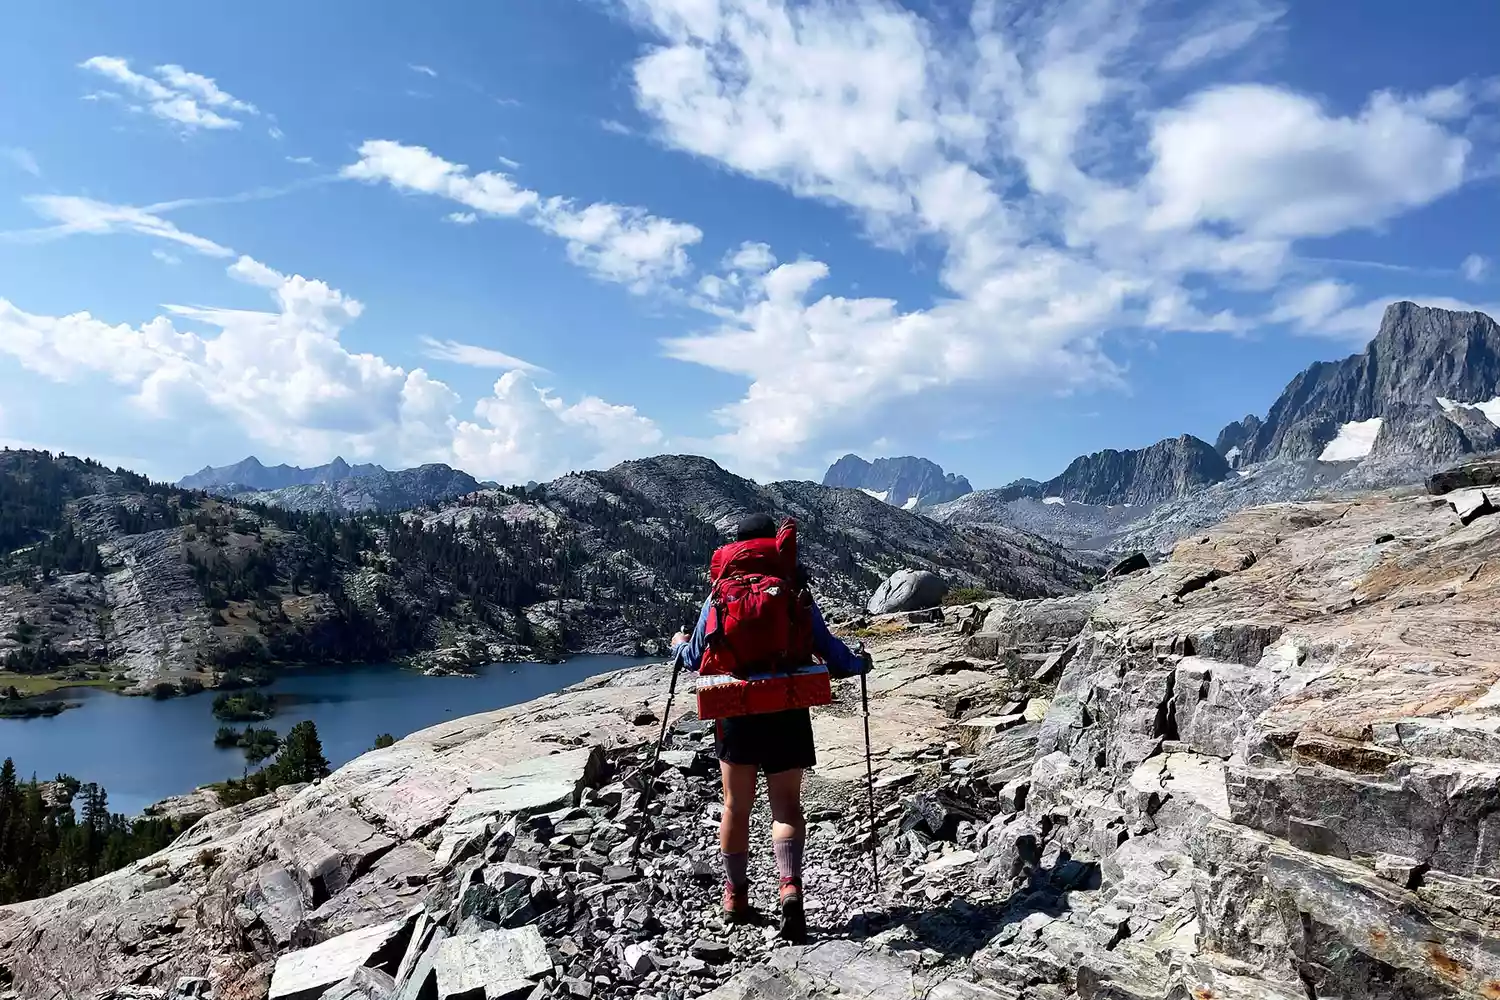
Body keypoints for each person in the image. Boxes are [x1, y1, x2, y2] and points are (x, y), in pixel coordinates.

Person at [671, 513, 871, 943]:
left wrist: (676, 645)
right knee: (786, 805)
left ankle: (736, 897)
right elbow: (829, 650)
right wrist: (858, 663)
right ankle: (790, 888)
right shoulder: (791, 585)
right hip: (786, 702)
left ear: (734, 548)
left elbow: (694, 655)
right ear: (771, 545)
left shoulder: (719, 591)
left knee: (735, 806)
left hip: (736, 707)